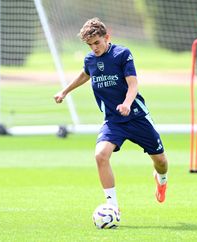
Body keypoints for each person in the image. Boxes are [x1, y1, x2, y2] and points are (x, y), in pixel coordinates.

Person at [54, 18, 168, 209]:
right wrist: (64, 91)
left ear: (107, 37)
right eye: (90, 45)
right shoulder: (90, 59)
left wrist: (127, 103)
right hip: (114, 121)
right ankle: (112, 206)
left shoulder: (122, 54)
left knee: (161, 161)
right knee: (100, 155)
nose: (94, 48)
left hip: (137, 117)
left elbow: (133, 84)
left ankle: (161, 179)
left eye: (97, 43)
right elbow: (85, 74)